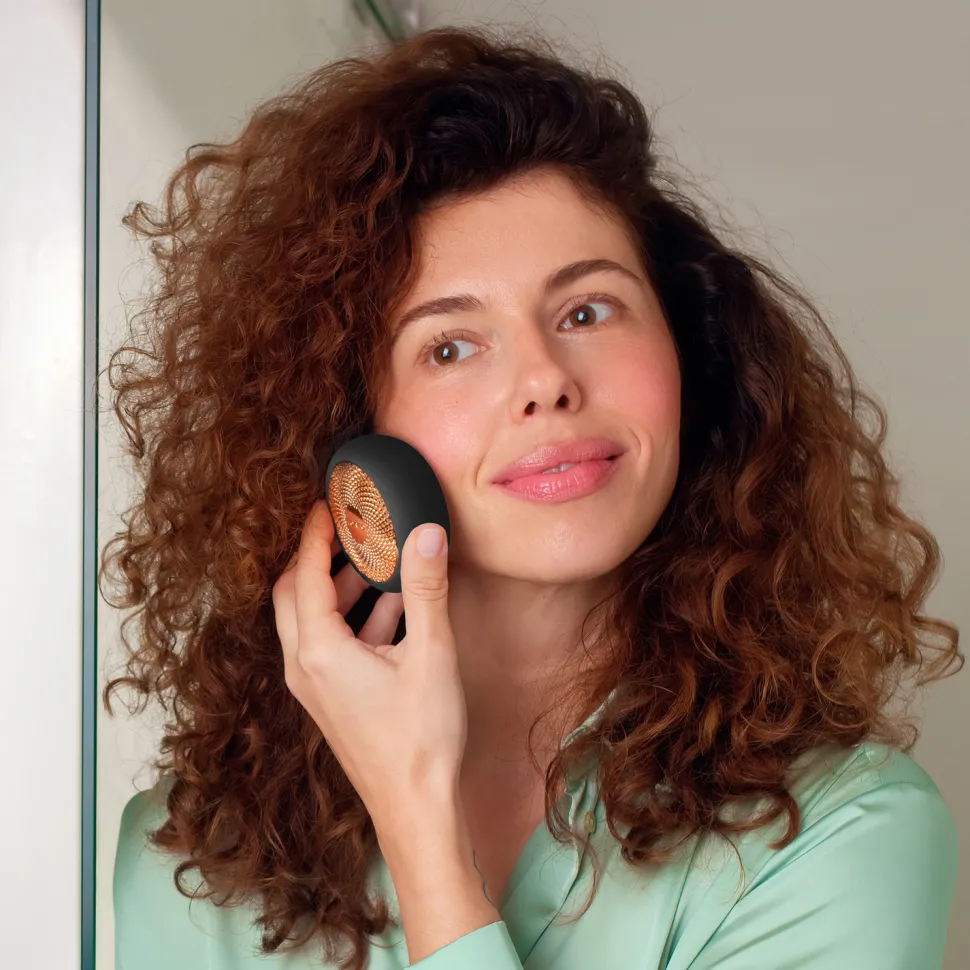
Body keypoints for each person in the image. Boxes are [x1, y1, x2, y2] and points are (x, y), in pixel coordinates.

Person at [104, 24, 962, 970]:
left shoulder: (846, 833)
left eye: (587, 311)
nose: (547, 380)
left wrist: (419, 827)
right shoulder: (193, 864)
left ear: (692, 355)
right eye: (450, 346)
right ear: (350, 435)